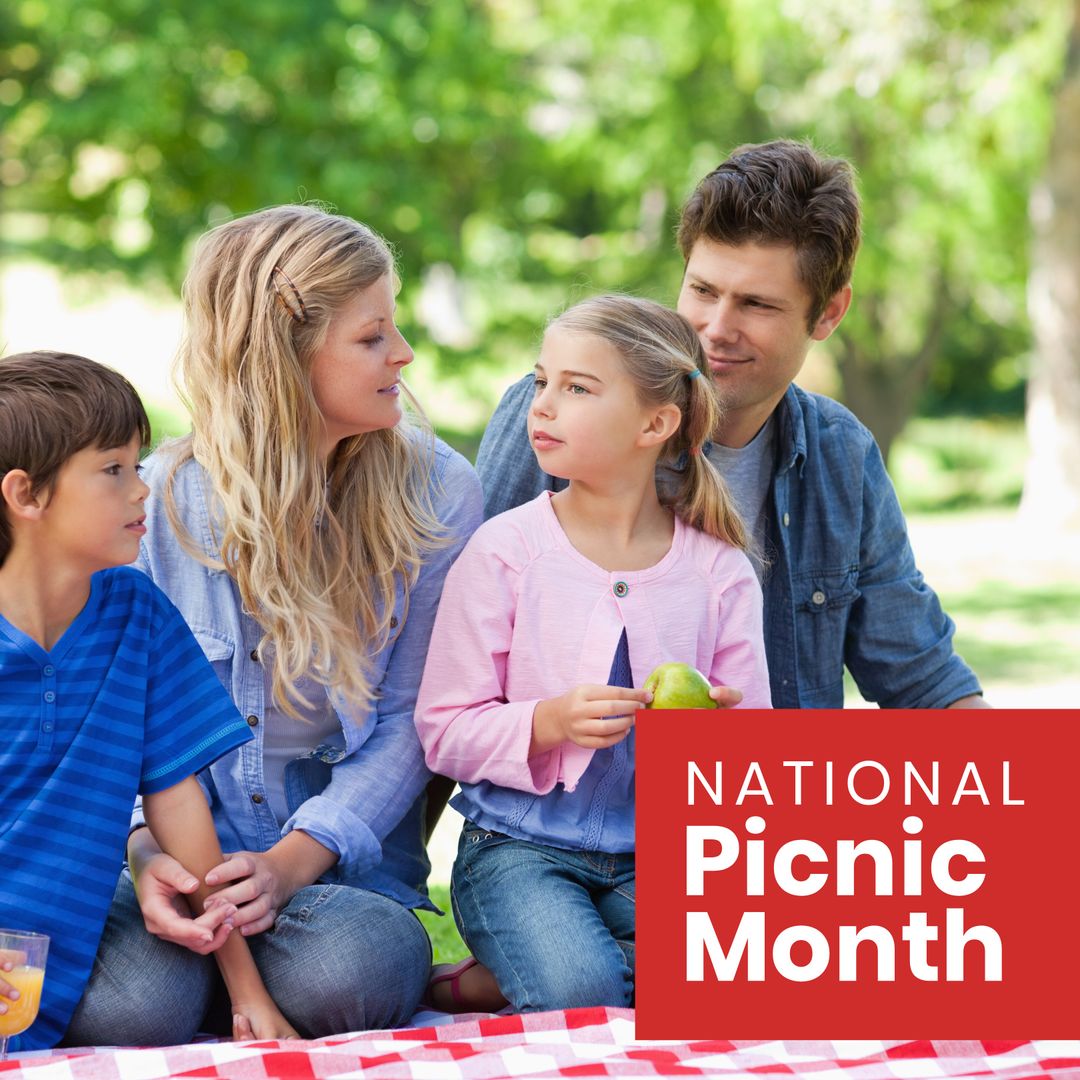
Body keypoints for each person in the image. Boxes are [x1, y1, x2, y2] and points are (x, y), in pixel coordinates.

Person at [63, 205, 484, 1045]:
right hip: (179, 870)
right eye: (372, 337)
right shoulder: (151, 508)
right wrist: (149, 858)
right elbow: (109, 730)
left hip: (335, 883)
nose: (403, 355)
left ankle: (232, 989)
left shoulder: (439, 492)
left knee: (347, 974)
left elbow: (412, 718)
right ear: (284, 356)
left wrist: (291, 865)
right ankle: (215, 983)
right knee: (126, 1008)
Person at [476, 140, 988, 711]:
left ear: (828, 313)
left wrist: (1033, 791)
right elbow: (454, 652)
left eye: (757, 305)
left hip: (762, 794)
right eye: (702, 290)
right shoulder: (556, 415)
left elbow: (922, 676)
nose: (716, 328)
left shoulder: (840, 455)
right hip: (567, 797)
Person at [415, 295, 772, 1012]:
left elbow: (752, 760)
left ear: (655, 423)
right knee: (583, 992)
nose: (543, 405)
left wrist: (717, 737)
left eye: (577, 388)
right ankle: (560, 967)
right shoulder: (506, 552)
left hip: (663, 859)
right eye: (542, 381)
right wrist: (546, 722)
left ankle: (519, 975)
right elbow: (443, 729)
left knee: (767, 960)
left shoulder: (717, 571)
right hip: (518, 849)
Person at [0, 351, 296, 1052]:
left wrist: (246, 991)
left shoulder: (139, 611)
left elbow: (176, 797)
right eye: (114, 470)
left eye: (138, 465)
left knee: (150, 1012)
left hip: (45, 960)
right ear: (27, 495)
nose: (142, 491)